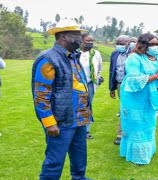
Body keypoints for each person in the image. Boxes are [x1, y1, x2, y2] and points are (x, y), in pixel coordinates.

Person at [32, 21, 92, 180]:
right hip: (61, 120)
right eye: (77, 35)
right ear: (64, 36)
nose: (81, 39)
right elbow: (40, 94)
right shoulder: (48, 59)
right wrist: (49, 122)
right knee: (54, 162)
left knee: (80, 159)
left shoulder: (73, 57)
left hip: (79, 118)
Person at [119, 33, 158, 165]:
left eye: (157, 44)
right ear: (143, 44)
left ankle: (147, 151)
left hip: (151, 97)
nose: (155, 47)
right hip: (134, 99)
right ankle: (136, 156)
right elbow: (133, 81)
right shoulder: (134, 58)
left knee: (148, 125)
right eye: (152, 44)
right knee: (136, 126)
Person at [79, 32, 103, 140]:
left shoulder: (95, 53)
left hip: (89, 84)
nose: (90, 42)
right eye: (88, 40)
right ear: (81, 40)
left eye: (92, 41)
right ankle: (77, 128)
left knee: (87, 106)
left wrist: (97, 78)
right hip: (77, 84)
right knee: (77, 106)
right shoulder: (75, 53)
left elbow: (99, 68)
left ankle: (86, 131)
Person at [108, 35, 131, 145]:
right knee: (124, 109)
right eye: (117, 43)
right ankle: (121, 134)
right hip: (119, 85)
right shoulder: (114, 54)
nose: (119, 45)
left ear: (128, 43)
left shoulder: (133, 54)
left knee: (128, 109)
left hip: (131, 86)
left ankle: (123, 134)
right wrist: (111, 88)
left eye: (122, 43)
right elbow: (112, 71)